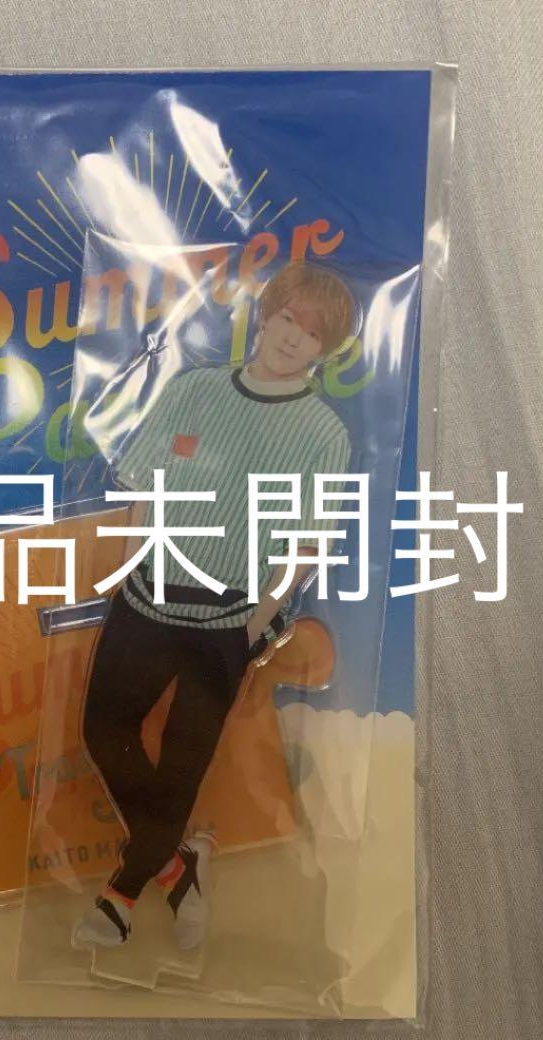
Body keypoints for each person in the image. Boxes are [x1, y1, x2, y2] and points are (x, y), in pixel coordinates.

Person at [73, 261, 355, 951]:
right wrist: (132, 566)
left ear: (325, 350)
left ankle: (121, 895)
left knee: (183, 761)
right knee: (103, 731)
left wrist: (257, 622)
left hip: (229, 619)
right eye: (286, 318)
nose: (292, 338)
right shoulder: (193, 389)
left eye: (311, 333)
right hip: (146, 598)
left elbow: (309, 541)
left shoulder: (324, 433)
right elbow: (144, 489)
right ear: (266, 314)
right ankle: (179, 867)